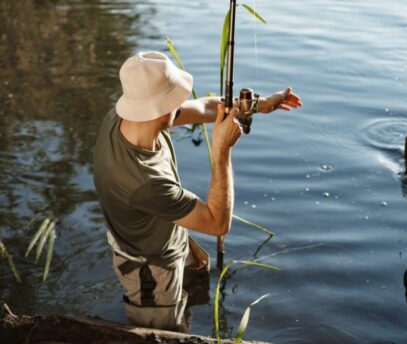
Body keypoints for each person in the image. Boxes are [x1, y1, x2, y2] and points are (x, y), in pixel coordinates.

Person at [93, 51, 302, 330]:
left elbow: (205, 107)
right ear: (159, 109)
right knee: (161, 334)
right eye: (174, 100)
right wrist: (221, 151)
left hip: (168, 235)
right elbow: (218, 224)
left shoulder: (126, 118)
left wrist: (256, 105)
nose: (180, 103)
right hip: (152, 272)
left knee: (191, 307)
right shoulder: (144, 182)